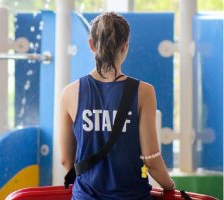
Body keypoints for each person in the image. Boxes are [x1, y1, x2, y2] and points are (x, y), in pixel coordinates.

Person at [58, 12, 175, 199]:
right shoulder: (143, 92)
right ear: (125, 46)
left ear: (91, 45)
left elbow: (66, 160)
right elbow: (151, 159)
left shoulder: (70, 93)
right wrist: (169, 186)